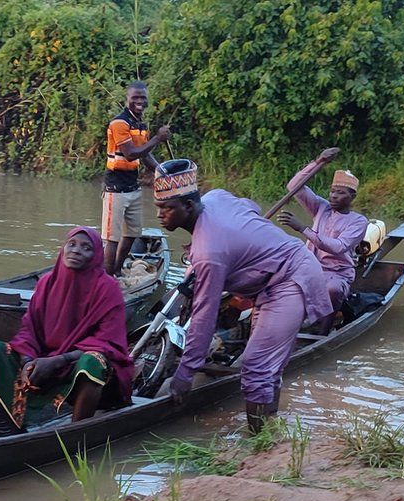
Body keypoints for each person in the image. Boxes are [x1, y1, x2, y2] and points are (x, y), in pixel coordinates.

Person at [153, 159, 332, 433]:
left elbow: (205, 313)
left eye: (166, 208)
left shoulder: (209, 253)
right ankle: (270, 429)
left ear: (188, 206)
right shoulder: (216, 197)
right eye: (158, 207)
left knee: (255, 366)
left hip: (289, 279)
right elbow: (252, 207)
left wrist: (185, 373)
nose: (159, 214)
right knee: (265, 367)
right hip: (269, 283)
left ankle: (257, 440)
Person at [0, 227, 135, 429]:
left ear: (95, 257)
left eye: (86, 248)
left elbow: (107, 343)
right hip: (43, 362)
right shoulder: (47, 282)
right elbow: (29, 329)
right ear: (63, 248)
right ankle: (19, 417)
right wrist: (29, 360)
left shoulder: (108, 289)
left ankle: (77, 431)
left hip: (77, 366)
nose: (76, 251)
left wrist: (59, 360)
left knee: (94, 361)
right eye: (72, 244)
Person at [277, 168, 368, 333]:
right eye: (332, 191)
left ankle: (323, 332)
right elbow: (294, 186)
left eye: (340, 193)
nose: (333, 196)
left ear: (352, 197)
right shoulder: (321, 207)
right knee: (277, 279)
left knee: (332, 289)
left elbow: (338, 247)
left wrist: (303, 228)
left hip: (338, 273)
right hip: (309, 267)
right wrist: (319, 162)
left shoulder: (359, 221)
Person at [103, 81, 171, 277]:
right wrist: (157, 138)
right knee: (112, 238)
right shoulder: (119, 123)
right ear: (127, 99)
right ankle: (107, 282)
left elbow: (145, 155)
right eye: (135, 98)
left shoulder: (140, 125)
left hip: (133, 186)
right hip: (115, 187)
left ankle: (116, 270)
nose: (139, 101)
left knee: (132, 234)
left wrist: (162, 171)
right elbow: (131, 153)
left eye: (143, 98)